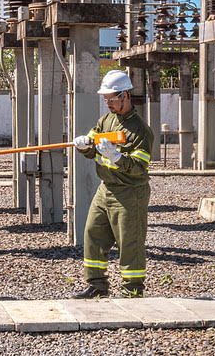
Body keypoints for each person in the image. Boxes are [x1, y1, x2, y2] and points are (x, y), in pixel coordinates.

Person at [72, 70, 153, 298]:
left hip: (130, 193)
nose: (108, 103)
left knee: (130, 242)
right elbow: (91, 147)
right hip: (106, 189)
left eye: (112, 99)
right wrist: (85, 146)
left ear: (125, 95)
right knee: (93, 233)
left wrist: (117, 157)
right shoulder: (106, 121)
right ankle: (97, 284)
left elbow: (139, 166)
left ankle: (133, 290)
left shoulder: (140, 131)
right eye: (105, 99)